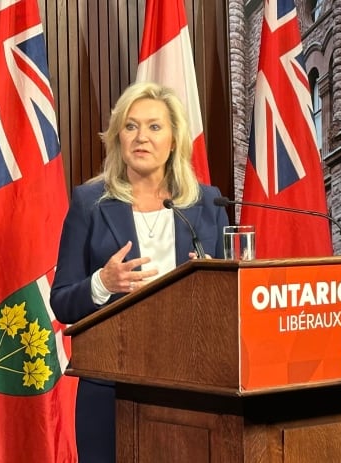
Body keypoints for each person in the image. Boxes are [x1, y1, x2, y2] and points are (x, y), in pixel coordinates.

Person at [49, 81, 229, 462]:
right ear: (118, 138)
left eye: (154, 127)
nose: (141, 137)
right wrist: (102, 283)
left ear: (175, 139)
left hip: (190, 386)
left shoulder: (207, 203)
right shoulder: (90, 203)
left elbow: (233, 303)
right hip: (109, 388)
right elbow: (62, 301)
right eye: (130, 126)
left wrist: (216, 288)